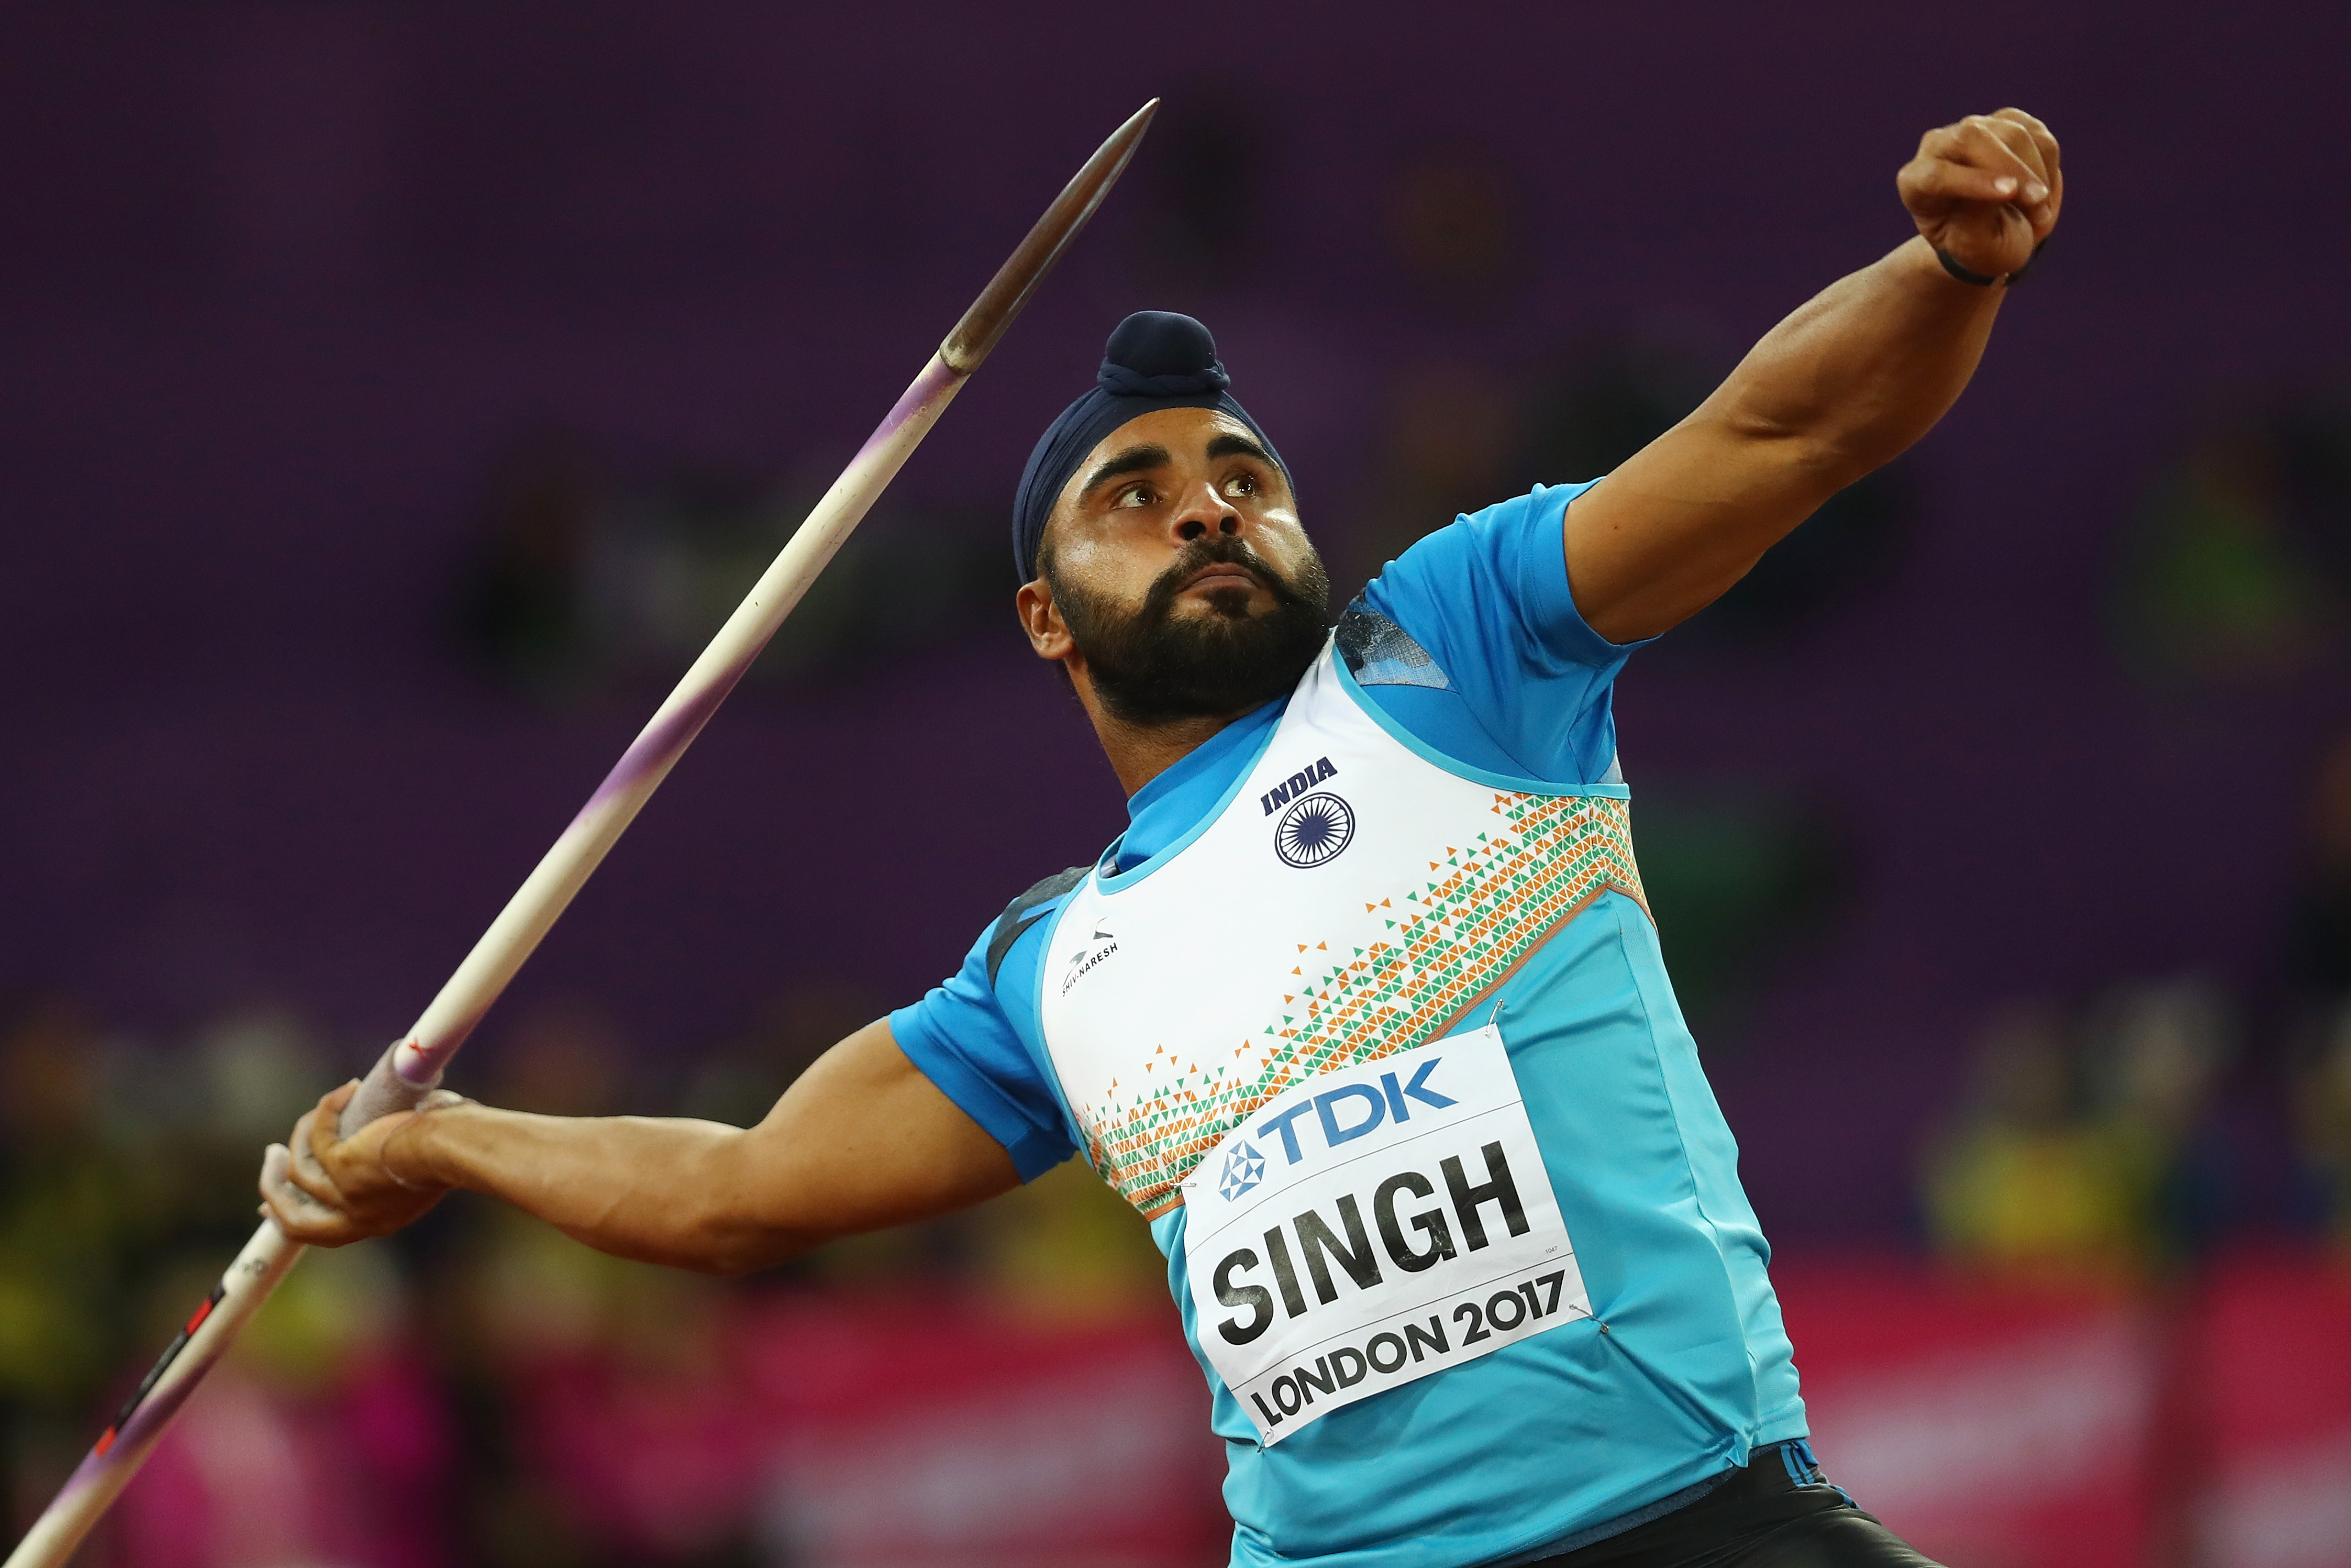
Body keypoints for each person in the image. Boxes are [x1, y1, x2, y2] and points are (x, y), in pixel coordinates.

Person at [265, 108, 2065, 1568]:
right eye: (1136, 495)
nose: (1208, 507)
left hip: (1693, 1529)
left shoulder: (1452, 650)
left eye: (1244, 480)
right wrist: (449, 1142)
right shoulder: (1047, 974)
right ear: (1044, 616)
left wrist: (1947, 268)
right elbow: (738, 1192)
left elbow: (1789, 429)